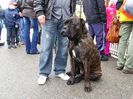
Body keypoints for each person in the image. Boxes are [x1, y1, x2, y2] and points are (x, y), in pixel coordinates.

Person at [33, 0, 76, 84]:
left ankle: (60, 70)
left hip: (66, 18)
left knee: (63, 46)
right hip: (50, 17)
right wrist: (40, 12)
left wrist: (72, 13)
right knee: (46, 46)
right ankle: (43, 73)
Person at [116, 0, 133, 74]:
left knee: (123, 41)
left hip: (125, 17)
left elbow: (118, 5)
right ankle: (128, 66)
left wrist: (122, 13)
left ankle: (120, 63)